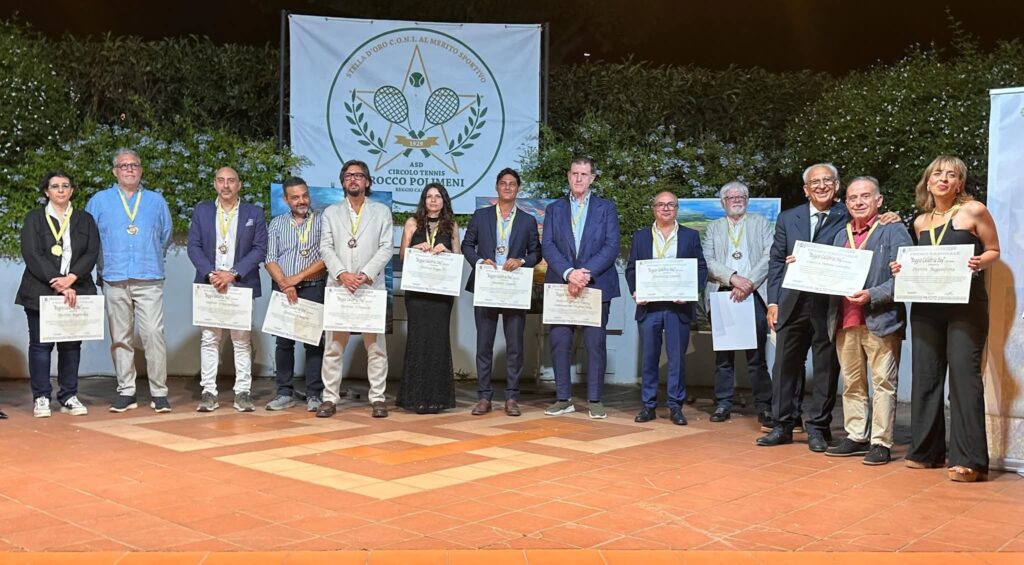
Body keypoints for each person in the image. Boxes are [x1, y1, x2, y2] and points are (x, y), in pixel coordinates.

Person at [760, 164, 900, 451]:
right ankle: (782, 424)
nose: (821, 186)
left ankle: (818, 428)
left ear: (836, 186)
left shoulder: (847, 214)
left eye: (827, 181)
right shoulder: (788, 218)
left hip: (829, 305)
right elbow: (776, 261)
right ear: (806, 189)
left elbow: (870, 219)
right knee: (784, 365)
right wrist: (773, 301)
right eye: (815, 182)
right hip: (792, 302)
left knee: (826, 368)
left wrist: (891, 216)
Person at [892, 155, 1000, 482]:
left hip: (965, 305)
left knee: (964, 378)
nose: (943, 179)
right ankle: (926, 452)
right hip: (927, 305)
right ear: (928, 182)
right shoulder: (920, 222)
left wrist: (980, 261)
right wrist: (902, 268)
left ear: (959, 184)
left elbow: (994, 250)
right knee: (925, 376)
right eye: (937, 174)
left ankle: (970, 460)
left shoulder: (974, 211)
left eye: (951, 175)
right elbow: (923, 262)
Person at [818, 177, 912, 465]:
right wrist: (803, 269)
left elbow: (906, 275)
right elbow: (828, 274)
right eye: (853, 198)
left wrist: (872, 294)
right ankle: (856, 435)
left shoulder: (893, 229)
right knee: (852, 383)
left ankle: (881, 442)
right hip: (844, 320)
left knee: (883, 383)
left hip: (880, 319)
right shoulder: (840, 235)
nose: (858, 202)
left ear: (878, 200)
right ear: (846, 203)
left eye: (865, 196)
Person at [85, 148, 173, 413]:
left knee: (153, 335)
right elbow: (90, 237)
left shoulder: (156, 201)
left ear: (141, 170)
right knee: (120, 337)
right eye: (124, 166)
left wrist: (150, 256)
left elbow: (165, 235)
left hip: (148, 276)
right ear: (115, 171)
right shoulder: (99, 201)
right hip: (114, 276)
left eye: (134, 165)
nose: (130, 169)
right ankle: (126, 391)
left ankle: (159, 392)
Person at [542, 157, 621, 419]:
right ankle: (563, 398)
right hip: (561, 284)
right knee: (559, 342)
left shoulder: (606, 208)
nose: (578, 178)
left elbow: (611, 245)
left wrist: (584, 274)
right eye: (574, 173)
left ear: (592, 178)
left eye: (584, 174)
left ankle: (595, 400)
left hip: (595, 284)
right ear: (568, 176)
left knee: (595, 343)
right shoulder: (554, 209)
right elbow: (548, 245)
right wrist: (568, 273)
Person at [16, 171, 100, 417]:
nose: (61, 190)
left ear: (72, 191)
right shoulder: (34, 218)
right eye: (55, 186)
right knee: (40, 346)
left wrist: (72, 278)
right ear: (47, 191)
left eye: (65, 186)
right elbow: (32, 253)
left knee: (71, 345)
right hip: (41, 290)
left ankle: (69, 395)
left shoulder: (85, 219)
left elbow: (91, 252)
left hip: (77, 288)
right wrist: (59, 283)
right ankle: (41, 396)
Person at [186, 167, 268, 412]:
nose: (226, 185)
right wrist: (211, 274)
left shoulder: (254, 212)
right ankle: (208, 392)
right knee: (209, 339)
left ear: (239, 185)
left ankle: (242, 392)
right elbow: (193, 246)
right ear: (214, 184)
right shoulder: (202, 211)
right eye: (221, 180)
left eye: (231, 181)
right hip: (210, 283)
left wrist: (232, 273)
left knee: (241, 340)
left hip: (239, 284)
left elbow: (260, 249)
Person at [462, 168, 542, 417]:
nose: (507, 187)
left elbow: (536, 253)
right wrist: (479, 261)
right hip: (487, 285)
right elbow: (467, 245)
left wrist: (521, 261)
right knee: (484, 345)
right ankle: (484, 397)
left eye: (512, 183)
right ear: (496, 187)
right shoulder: (481, 216)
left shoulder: (528, 220)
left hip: (514, 287)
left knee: (515, 345)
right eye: (503, 183)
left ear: (518, 188)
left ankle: (511, 397)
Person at [318, 160, 393, 418]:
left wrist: (364, 274)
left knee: (376, 348)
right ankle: (329, 398)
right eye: (349, 175)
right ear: (343, 182)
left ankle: (378, 398)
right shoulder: (331, 212)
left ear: (367, 181)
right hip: (340, 286)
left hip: (369, 286)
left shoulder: (381, 211)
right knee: (333, 347)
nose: (353, 179)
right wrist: (342, 274)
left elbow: (386, 247)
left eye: (359, 175)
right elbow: (326, 247)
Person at [625, 191, 707, 425]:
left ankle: (675, 406)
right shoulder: (641, 236)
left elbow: (701, 268)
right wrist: (636, 291)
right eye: (661, 204)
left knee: (677, 359)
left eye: (671, 204)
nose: (666, 208)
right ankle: (648, 405)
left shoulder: (690, 236)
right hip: (649, 307)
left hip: (677, 308)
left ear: (677, 209)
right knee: (649, 358)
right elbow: (631, 268)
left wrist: (691, 292)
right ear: (654, 209)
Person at [701, 181, 773, 426]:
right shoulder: (714, 227)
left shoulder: (761, 223)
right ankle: (723, 404)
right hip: (723, 293)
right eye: (731, 197)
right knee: (723, 357)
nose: (737, 200)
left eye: (741, 196)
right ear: (723, 202)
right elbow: (707, 260)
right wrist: (733, 278)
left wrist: (747, 283)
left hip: (754, 294)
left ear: (747, 200)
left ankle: (764, 406)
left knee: (757, 357)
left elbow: (769, 255)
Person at [264, 177, 327, 412]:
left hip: (312, 286)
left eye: (305, 195)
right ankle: (284, 393)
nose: (301, 201)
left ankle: (314, 394)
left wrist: (297, 278)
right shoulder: (277, 223)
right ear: (285, 199)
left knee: (314, 343)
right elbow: (270, 258)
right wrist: (285, 283)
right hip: (283, 289)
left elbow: (326, 258)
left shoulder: (322, 221)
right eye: (295, 197)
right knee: (283, 343)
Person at [398, 183, 461, 414]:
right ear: (423, 200)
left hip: (441, 294)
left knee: (438, 341)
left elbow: (459, 258)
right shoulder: (412, 223)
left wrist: (447, 252)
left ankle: (437, 398)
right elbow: (402, 257)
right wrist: (416, 249)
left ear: (444, 201)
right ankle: (416, 397)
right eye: (429, 196)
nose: (433, 200)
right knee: (418, 340)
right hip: (417, 293)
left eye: (438, 196)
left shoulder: (452, 225)